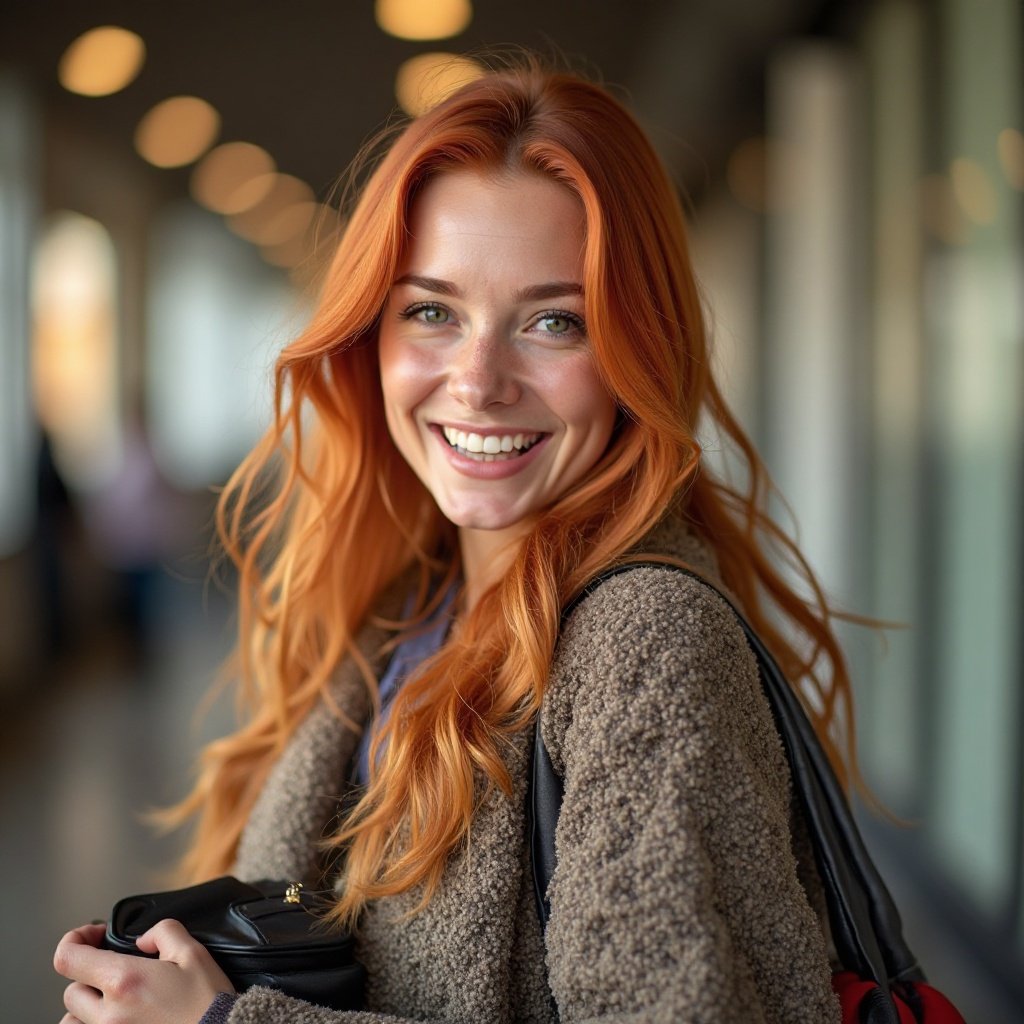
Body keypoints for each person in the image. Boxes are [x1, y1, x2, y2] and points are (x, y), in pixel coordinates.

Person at [54, 60, 854, 1023]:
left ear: (639, 354)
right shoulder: (401, 607)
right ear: (370, 337)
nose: (478, 382)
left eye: (555, 322)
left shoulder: (646, 640)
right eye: (433, 311)